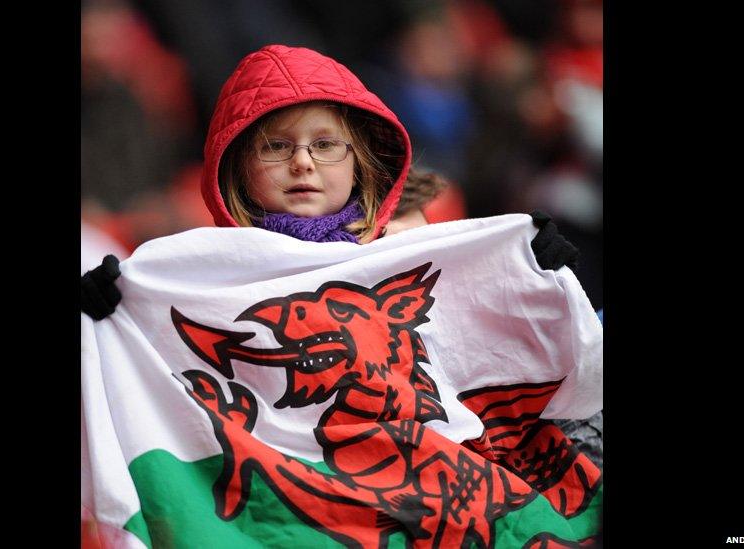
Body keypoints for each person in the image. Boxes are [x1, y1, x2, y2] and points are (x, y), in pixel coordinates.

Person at [82, 45, 595, 545]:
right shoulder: (193, 283)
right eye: (277, 146)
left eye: (326, 144)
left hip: (435, 491)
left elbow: (479, 359)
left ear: (360, 161)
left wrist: (532, 275)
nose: (303, 161)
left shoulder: (407, 252)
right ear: (237, 165)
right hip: (289, 515)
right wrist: (103, 314)